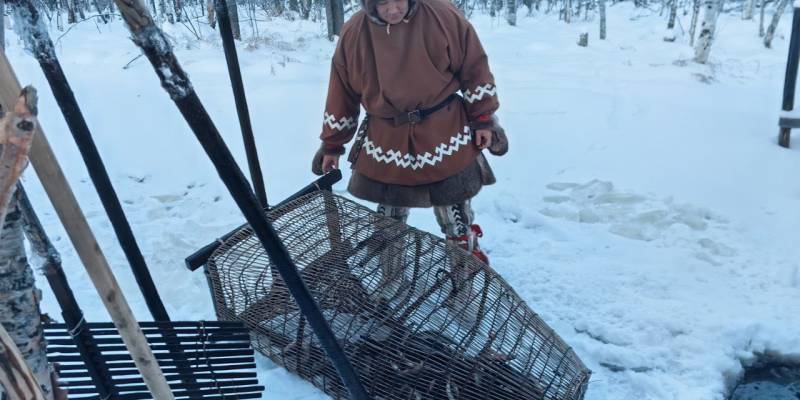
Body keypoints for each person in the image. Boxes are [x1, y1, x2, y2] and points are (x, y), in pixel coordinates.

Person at [312, 0, 507, 264]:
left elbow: (474, 67)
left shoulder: (442, 15)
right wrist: (332, 144)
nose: (393, 9)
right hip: (387, 139)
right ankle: (389, 285)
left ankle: (465, 274)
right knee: (388, 223)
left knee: (455, 215)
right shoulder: (355, 31)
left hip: (445, 132)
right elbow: (342, 92)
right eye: (383, 3)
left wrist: (483, 118)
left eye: (399, 1)